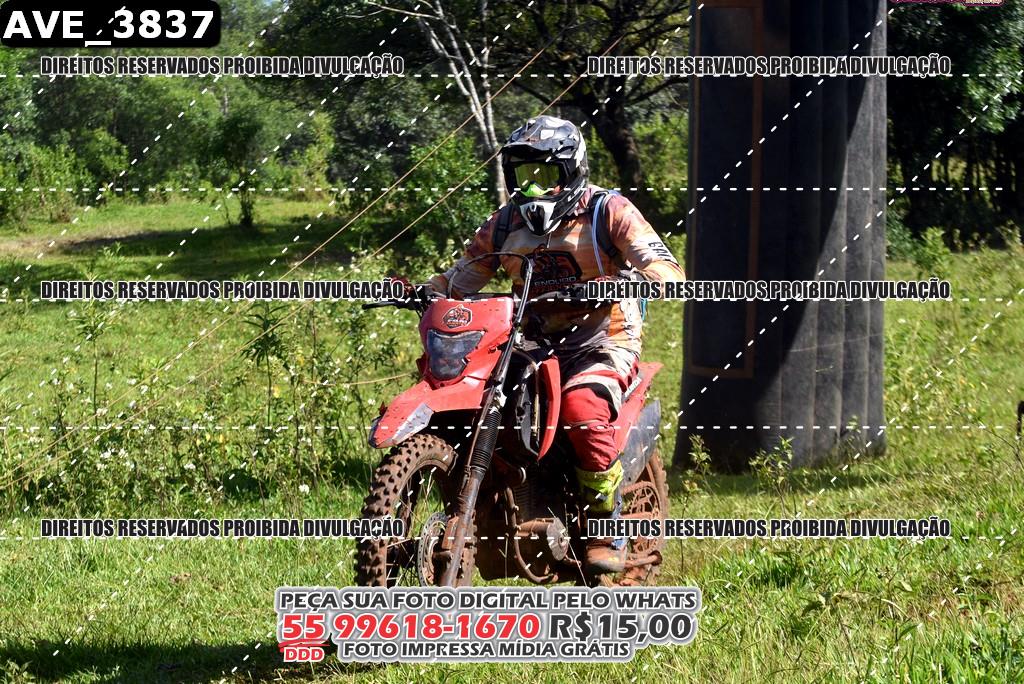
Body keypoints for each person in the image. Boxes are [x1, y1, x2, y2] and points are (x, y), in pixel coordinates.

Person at [426, 115, 685, 574]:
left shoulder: (608, 211)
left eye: (546, 176)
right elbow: (462, 275)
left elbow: (667, 269)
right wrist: (425, 291)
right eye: (524, 176)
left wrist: (630, 282)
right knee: (474, 398)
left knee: (583, 407)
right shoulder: (505, 223)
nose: (534, 189)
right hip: (527, 342)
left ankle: (606, 523)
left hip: (603, 340)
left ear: (572, 171)